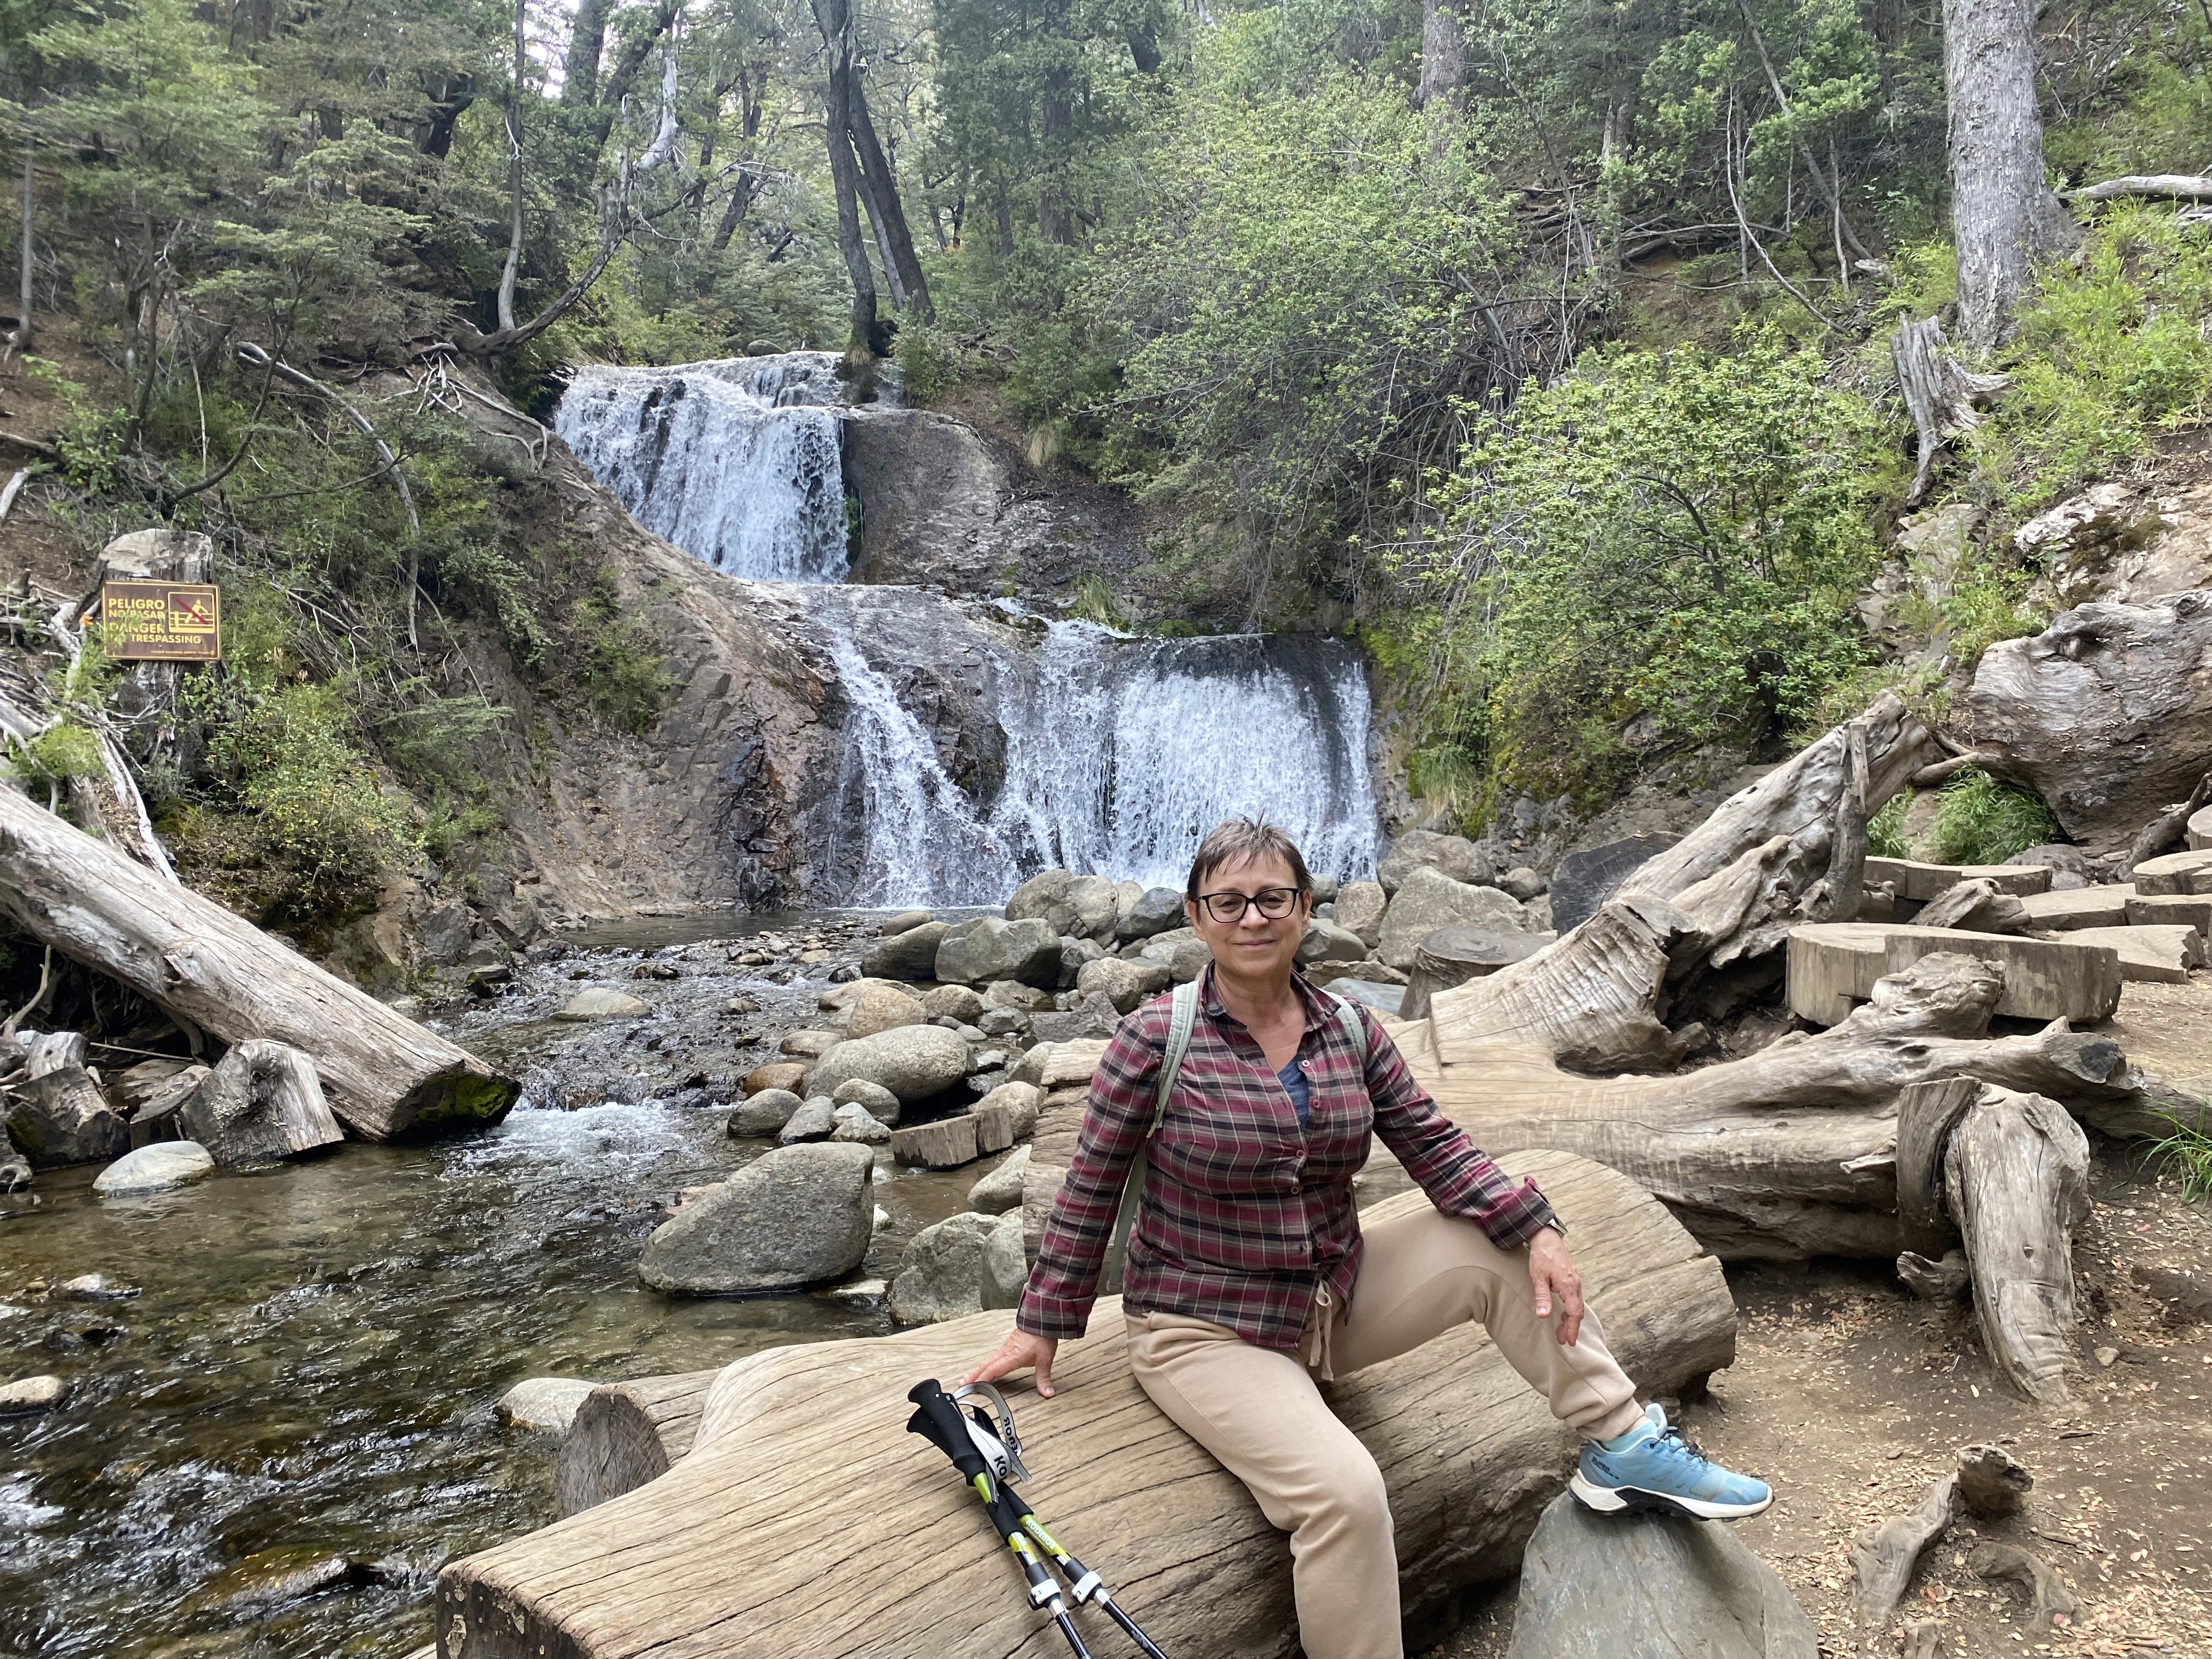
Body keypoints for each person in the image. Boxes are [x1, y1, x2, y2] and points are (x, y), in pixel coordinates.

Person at [962, 817, 1771, 1659]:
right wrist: (1043, 1318)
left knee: (1492, 1246)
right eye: (1228, 901)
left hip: (1332, 1300)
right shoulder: (1155, 1040)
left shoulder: (1347, 1027)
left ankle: (1624, 1446)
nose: (1252, 918)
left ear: (1306, 909)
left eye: (1272, 898)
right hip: (1203, 1327)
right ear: (1197, 919)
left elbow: (1432, 1140)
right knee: (1346, 1494)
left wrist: (1536, 1225)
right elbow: (1091, 1181)